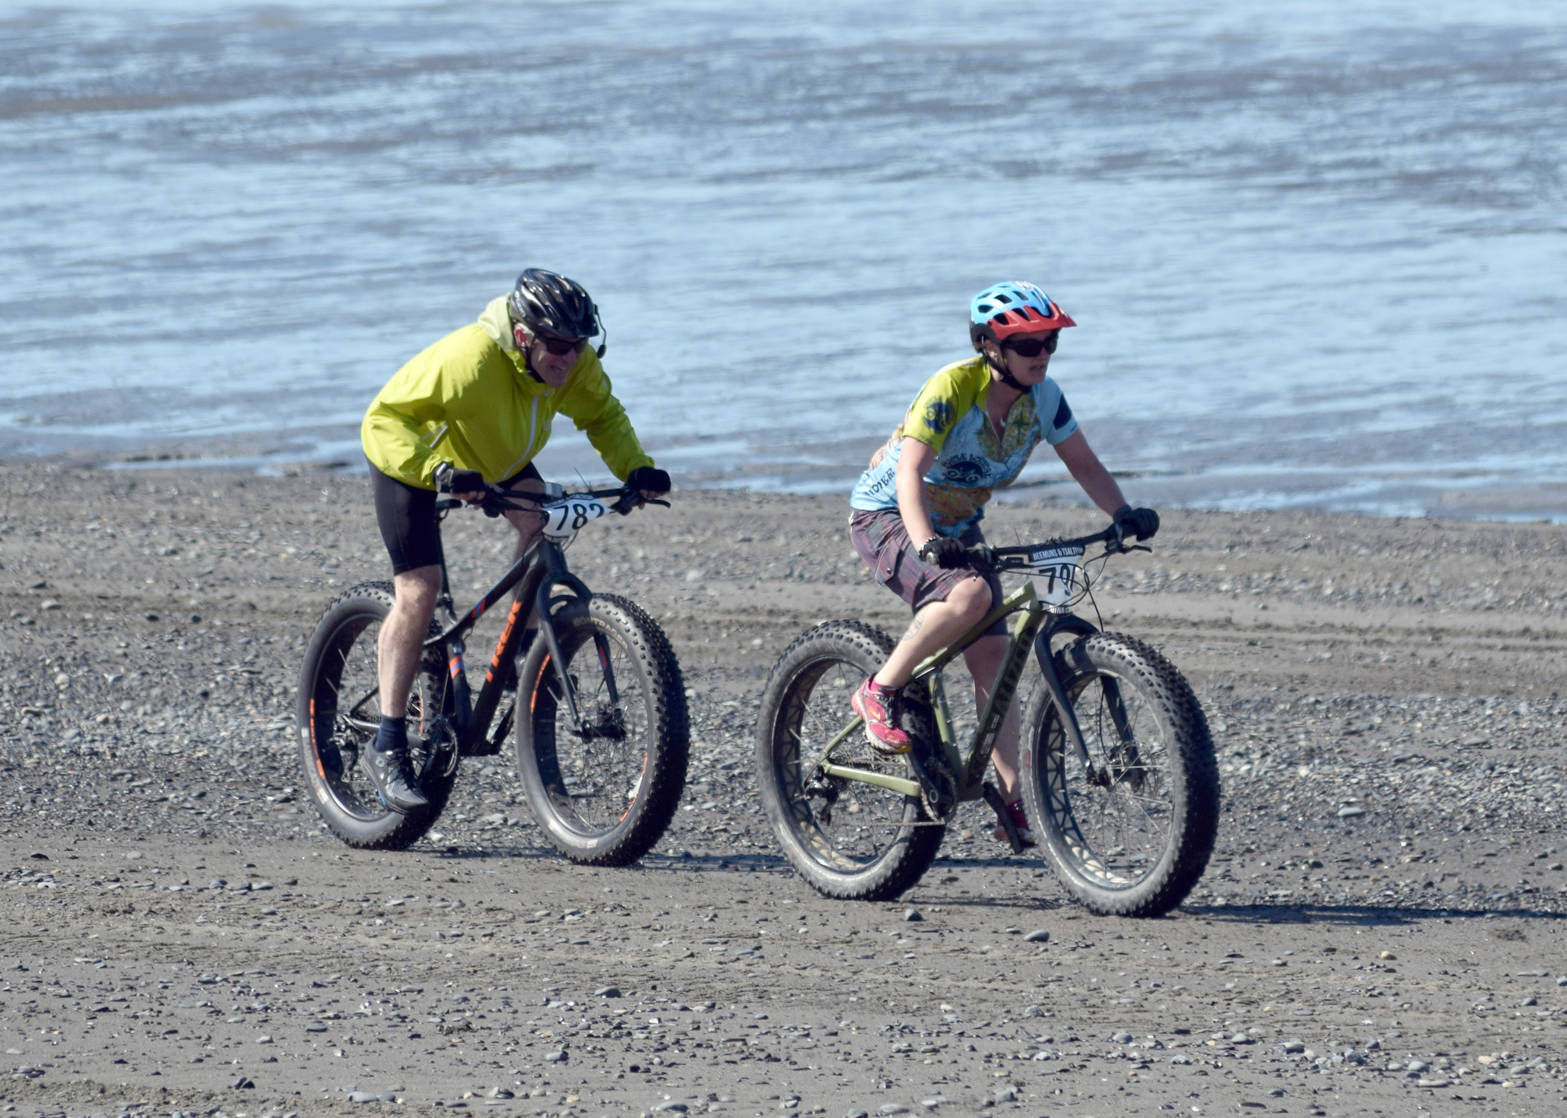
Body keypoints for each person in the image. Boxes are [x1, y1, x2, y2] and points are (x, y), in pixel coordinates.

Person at [847, 280, 1159, 846]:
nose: (1041, 354)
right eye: (1028, 344)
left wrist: (1122, 513)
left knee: (996, 656)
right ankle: (879, 690)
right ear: (990, 345)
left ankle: (1014, 802)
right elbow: (909, 473)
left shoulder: (1044, 398)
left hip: (958, 526)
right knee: (969, 597)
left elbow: (1085, 465)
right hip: (891, 514)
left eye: (1049, 344)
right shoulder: (953, 386)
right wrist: (923, 543)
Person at [358, 268, 671, 813]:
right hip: (411, 462)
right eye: (557, 346)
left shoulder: (572, 361)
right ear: (524, 337)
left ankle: (525, 652)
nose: (569, 359)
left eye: (578, 346)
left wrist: (636, 468)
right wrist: (437, 471)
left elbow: (603, 416)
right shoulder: (469, 362)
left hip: (492, 458)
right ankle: (387, 743)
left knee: (539, 521)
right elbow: (383, 420)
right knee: (419, 591)